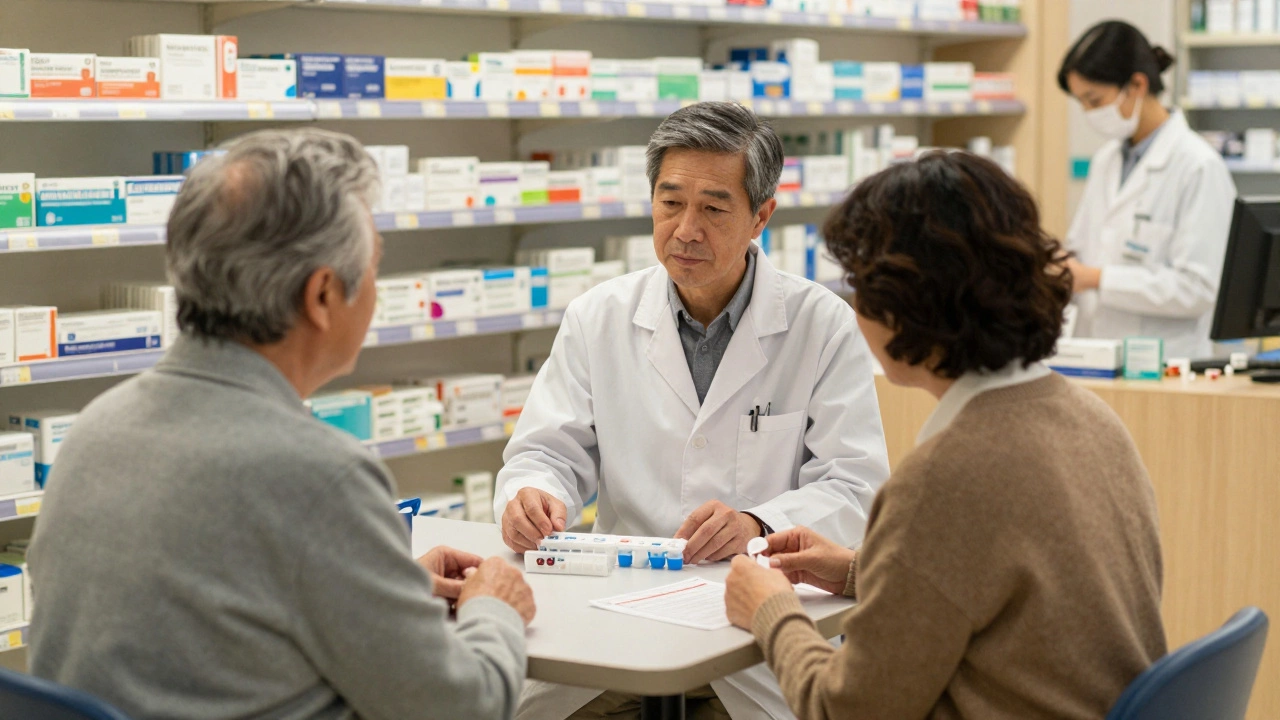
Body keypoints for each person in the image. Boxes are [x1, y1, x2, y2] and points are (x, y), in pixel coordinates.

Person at [28, 129, 535, 720]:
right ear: (322, 295)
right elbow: (460, 709)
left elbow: (198, 624)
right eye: (372, 270)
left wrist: (381, 595)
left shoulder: (96, 428)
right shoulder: (322, 474)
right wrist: (493, 608)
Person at [724, 151, 1167, 720]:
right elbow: (1015, 588)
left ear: (903, 304)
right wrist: (863, 570)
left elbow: (846, 710)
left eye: (860, 285)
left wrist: (771, 610)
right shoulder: (1089, 417)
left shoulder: (945, 478)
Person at [497, 102, 890, 719]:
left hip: (756, 632)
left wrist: (760, 523)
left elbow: (855, 483)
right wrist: (532, 492)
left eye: (713, 207)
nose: (685, 229)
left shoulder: (822, 324)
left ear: (762, 214)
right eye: (670, 201)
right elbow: (547, 450)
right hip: (617, 622)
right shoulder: (597, 316)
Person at [1059, 20, 1236, 358]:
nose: (1088, 114)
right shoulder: (1107, 160)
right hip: (1098, 354)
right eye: (1081, 102)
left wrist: (1097, 278)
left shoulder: (1198, 165)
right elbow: (1082, 246)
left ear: (1137, 85)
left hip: (1166, 361)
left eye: (1094, 101)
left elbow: (1198, 288)